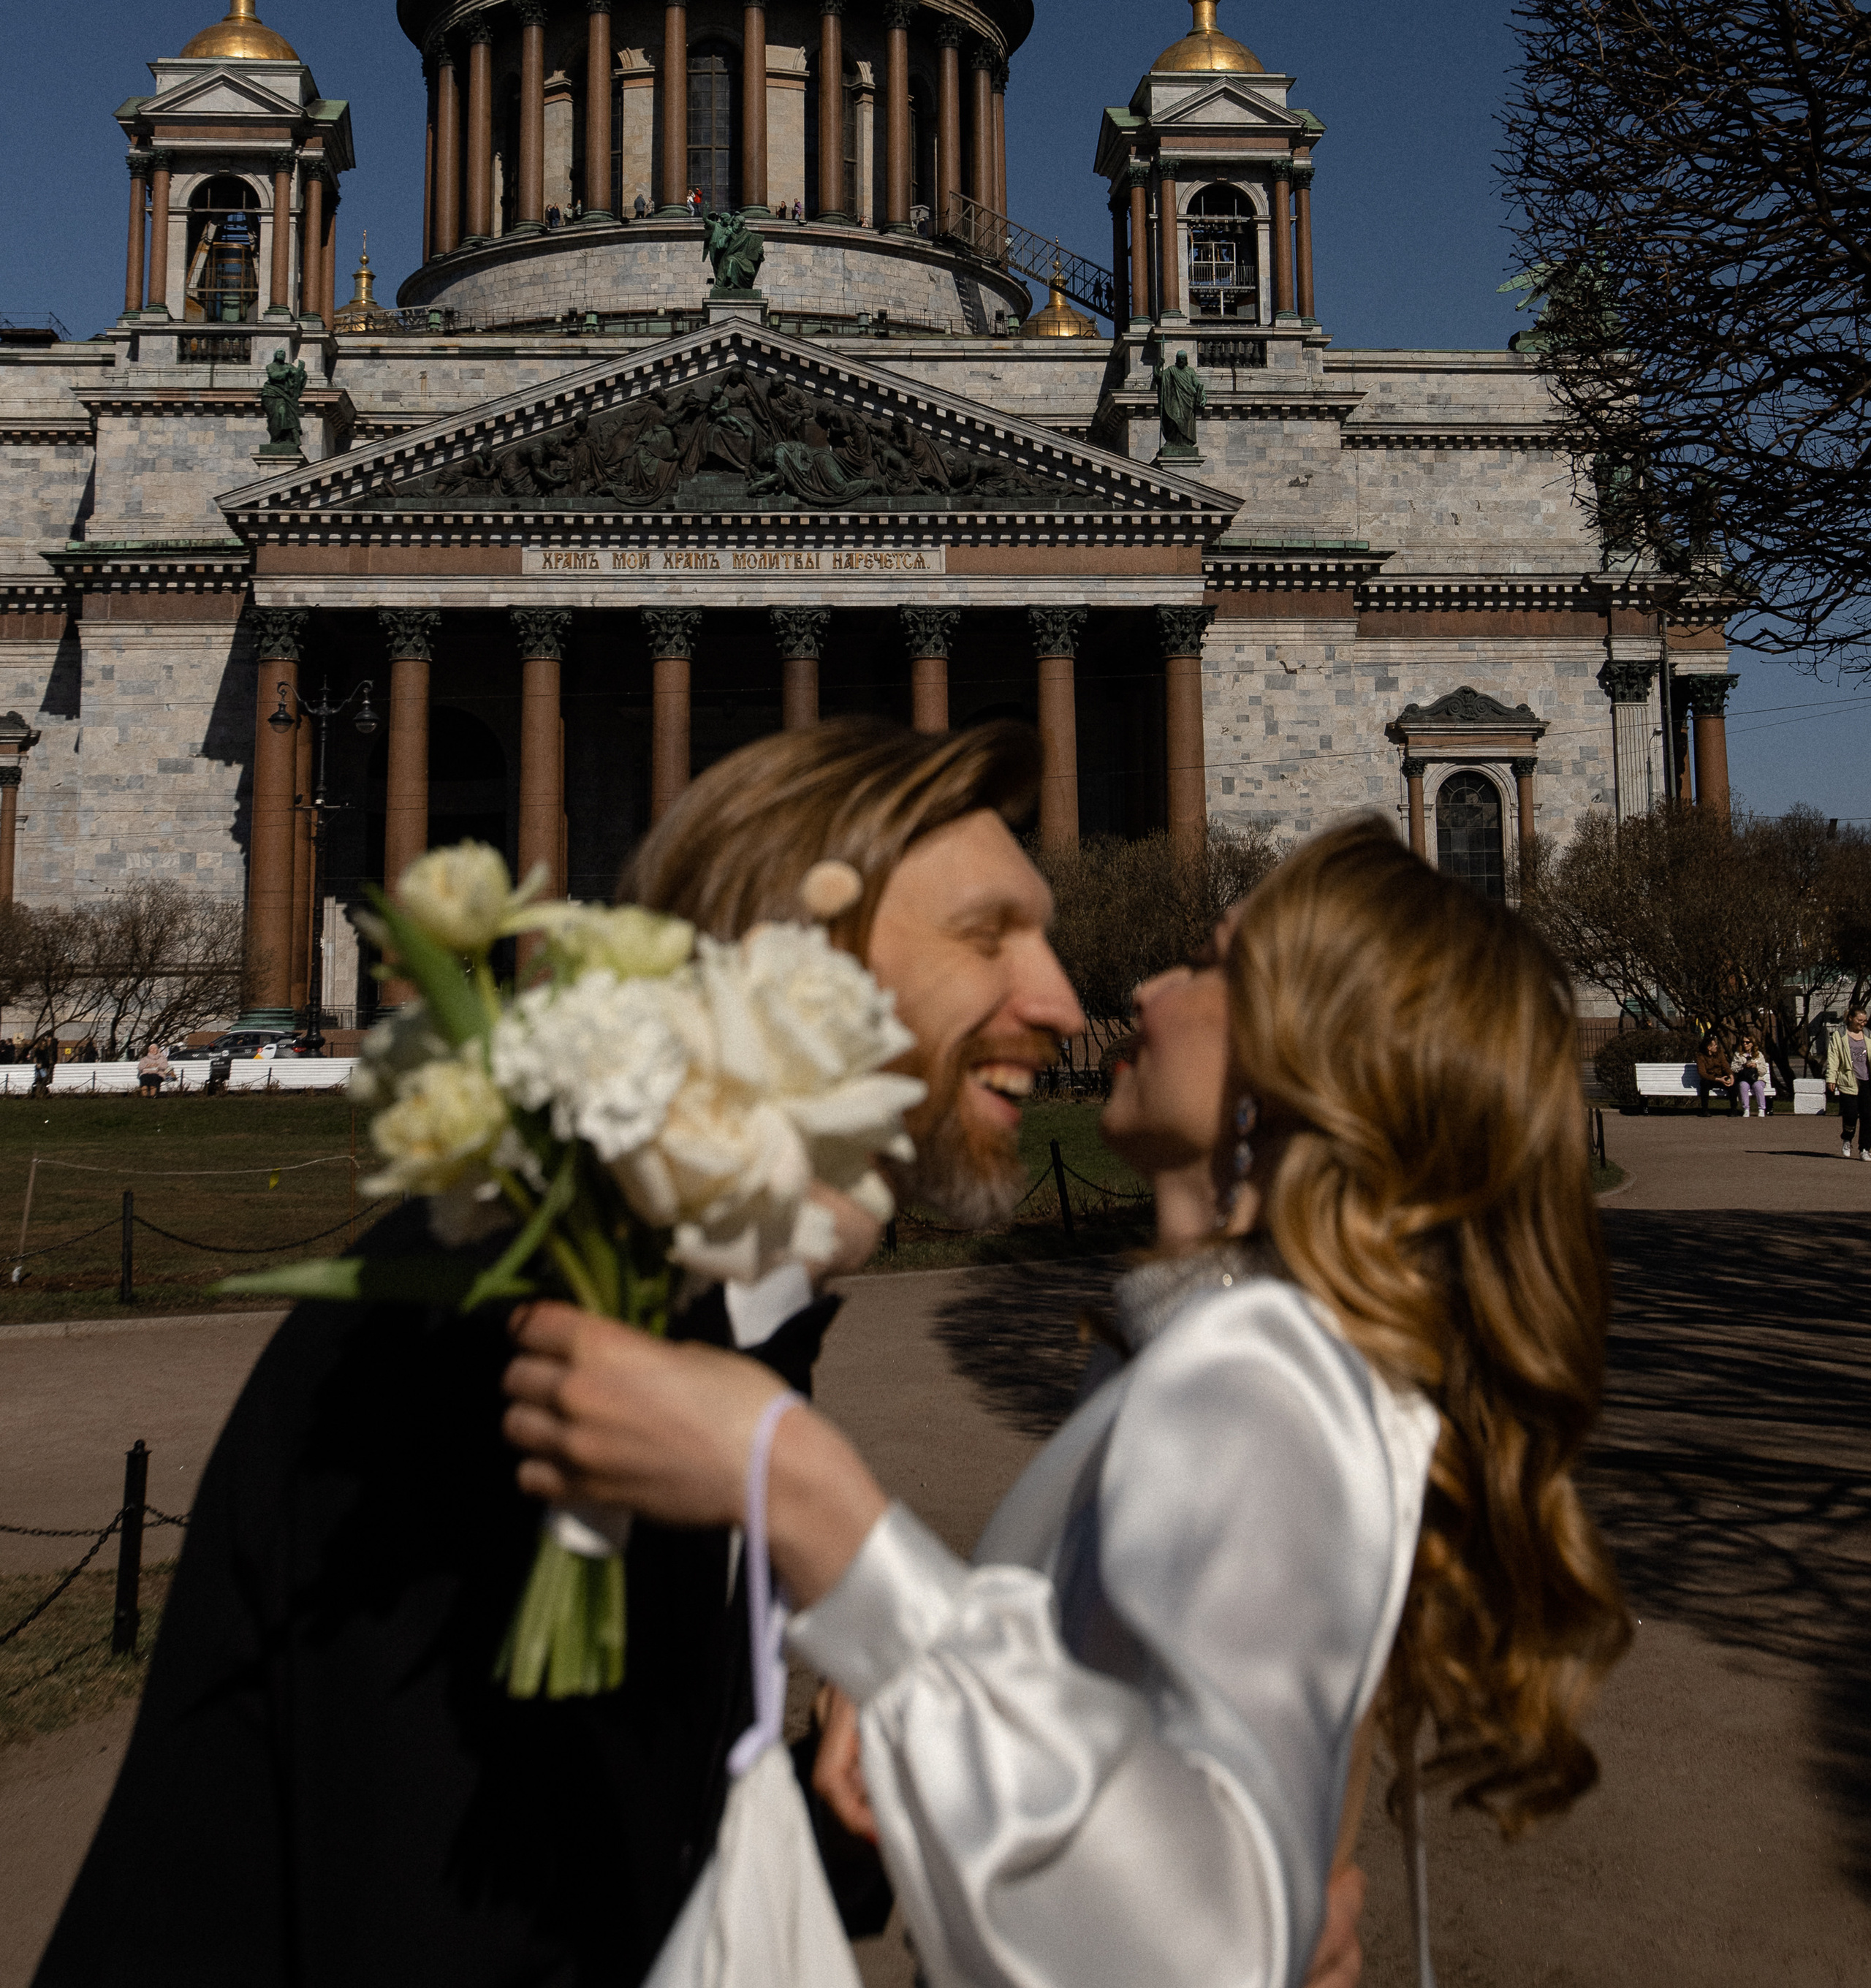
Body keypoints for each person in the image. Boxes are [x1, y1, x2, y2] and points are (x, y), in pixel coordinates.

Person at [31, 720, 1079, 1988]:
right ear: (801, 966)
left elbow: (593, 1868)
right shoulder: (519, 1339)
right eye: (989, 935)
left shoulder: (709, 1317)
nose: (1064, 1001)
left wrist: (826, 1819)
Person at [503, 819, 1630, 1988]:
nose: (1144, 985)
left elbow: (1211, 1946)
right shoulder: (1234, 1349)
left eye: (1210, 963)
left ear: (1301, 1054)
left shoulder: (1264, 1372)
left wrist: (813, 1503)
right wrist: (912, 1705)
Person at [1826, 1000, 1870, 1159]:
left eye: (1865, 1021)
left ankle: (1865, 1148)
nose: (1863, 1024)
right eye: (1860, 1021)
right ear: (1851, 1018)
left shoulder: (1868, 1035)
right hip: (1848, 1080)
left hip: (1867, 1080)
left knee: (1868, 1115)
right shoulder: (1840, 1036)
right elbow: (1833, 1058)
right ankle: (1847, 1138)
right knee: (1851, 1114)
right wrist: (1831, 1078)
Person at [1695, 1028, 1737, 1116]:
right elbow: (1702, 1073)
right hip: (1711, 1079)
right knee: (1704, 1084)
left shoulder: (1719, 1053)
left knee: (1732, 1085)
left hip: (1721, 1077)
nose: (1716, 1046)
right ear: (1709, 1048)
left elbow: (1725, 1065)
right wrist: (1717, 1079)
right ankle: (1705, 1110)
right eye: (1714, 1045)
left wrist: (1731, 1075)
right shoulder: (1700, 1056)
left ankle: (1734, 1109)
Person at [1731, 1025, 1772, 1118]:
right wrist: (1743, 1066)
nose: (1745, 1044)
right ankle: (1746, 1109)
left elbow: (1763, 1071)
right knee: (1743, 1085)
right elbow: (1733, 1068)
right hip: (1744, 1078)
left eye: (1747, 1042)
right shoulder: (1738, 1054)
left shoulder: (1759, 1055)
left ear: (1752, 1043)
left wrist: (1756, 1066)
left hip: (1757, 1078)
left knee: (1758, 1086)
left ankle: (1761, 1109)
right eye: (1743, 1042)